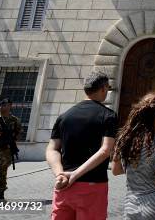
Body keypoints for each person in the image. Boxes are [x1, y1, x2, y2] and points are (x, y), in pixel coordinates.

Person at [46, 71, 118, 219]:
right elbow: (105, 150)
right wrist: (74, 174)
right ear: (103, 89)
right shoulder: (108, 115)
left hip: (64, 186)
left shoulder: (64, 116)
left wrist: (60, 174)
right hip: (92, 187)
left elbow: (52, 148)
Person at [113, 91, 155, 220]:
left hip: (130, 204)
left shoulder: (124, 138)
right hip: (153, 204)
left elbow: (116, 170)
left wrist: (137, 165)